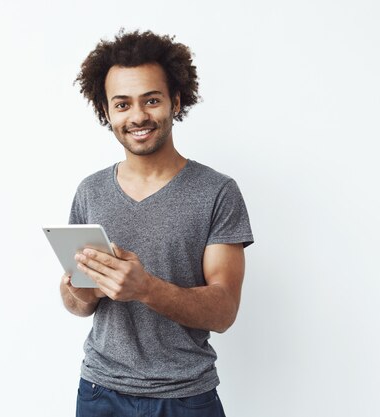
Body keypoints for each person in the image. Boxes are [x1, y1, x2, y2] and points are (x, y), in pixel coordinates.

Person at [60, 29, 254, 417]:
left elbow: (224, 311)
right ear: (106, 111)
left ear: (176, 101)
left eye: (151, 100)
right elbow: (75, 303)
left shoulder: (218, 192)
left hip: (185, 398)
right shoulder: (90, 191)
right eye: (122, 104)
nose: (138, 117)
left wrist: (144, 287)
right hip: (100, 393)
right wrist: (84, 290)